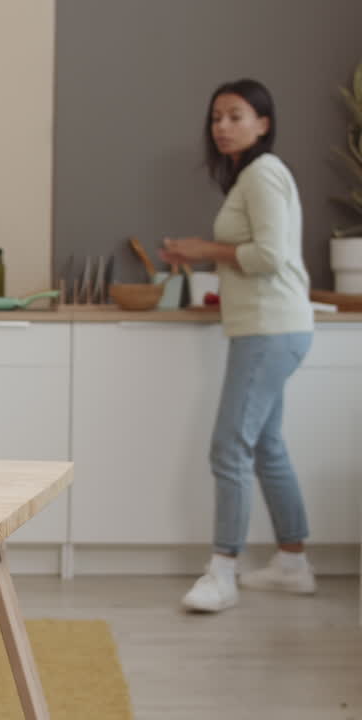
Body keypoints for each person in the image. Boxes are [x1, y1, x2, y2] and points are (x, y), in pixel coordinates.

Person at [160, 79, 314, 613]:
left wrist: (202, 249)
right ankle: (292, 563)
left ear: (263, 123)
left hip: (269, 329)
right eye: (216, 118)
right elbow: (261, 257)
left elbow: (270, 255)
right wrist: (220, 282)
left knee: (229, 447)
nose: (222, 126)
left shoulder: (263, 173)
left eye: (235, 116)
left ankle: (222, 571)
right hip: (273, 324)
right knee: (266, 446)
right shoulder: (254, 176)